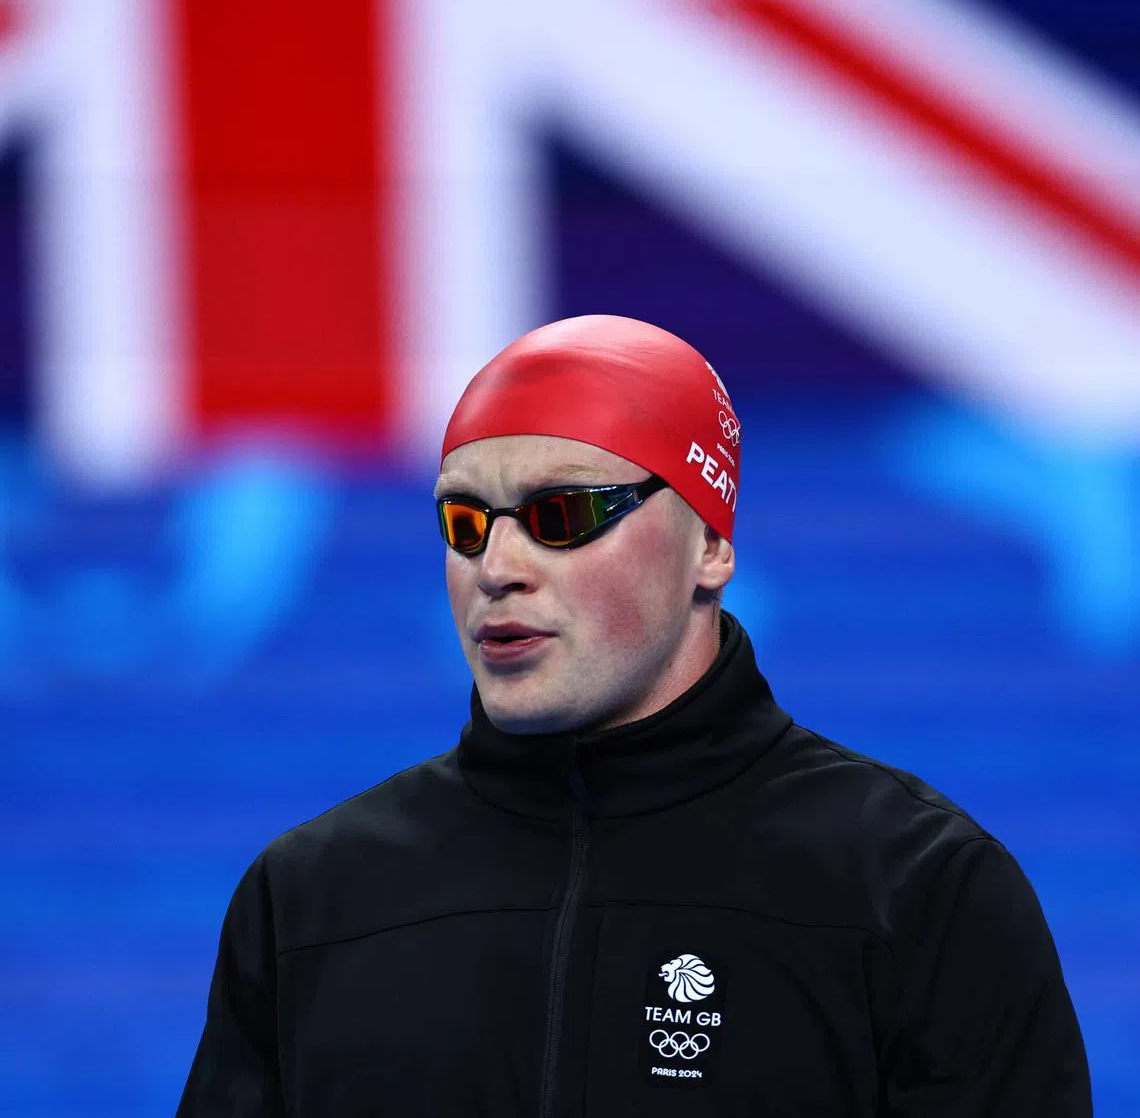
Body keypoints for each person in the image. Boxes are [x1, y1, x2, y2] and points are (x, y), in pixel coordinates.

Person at [177, 314, 1091, 1116]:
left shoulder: (916, 890)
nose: (497, 567)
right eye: (466, 522)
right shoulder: (312, 899)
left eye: (562, 514)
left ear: (711, 544)